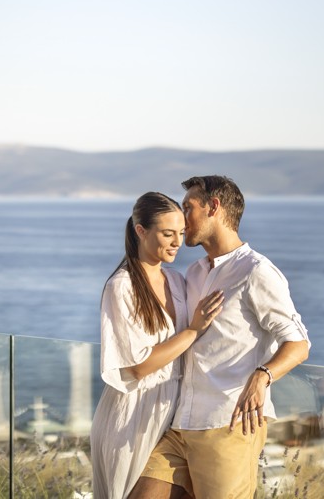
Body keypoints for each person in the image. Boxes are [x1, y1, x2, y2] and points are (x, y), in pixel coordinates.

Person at [130, 175, 310, 499]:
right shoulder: (195, 272)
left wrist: (263, 375)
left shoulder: (256, 271)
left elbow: (298, 343)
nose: (181, 219)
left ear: (214, 207)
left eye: (188, 208)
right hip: (180, 424)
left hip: (227, 425)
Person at [91, 192, 225, 499]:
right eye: (168, 234)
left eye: (180, 233)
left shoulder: (177, 280)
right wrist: (192, 331)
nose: (177, 242)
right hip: (132, 418)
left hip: (174, 416)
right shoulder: (121, 287)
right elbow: (139, 366)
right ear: (141, 231)